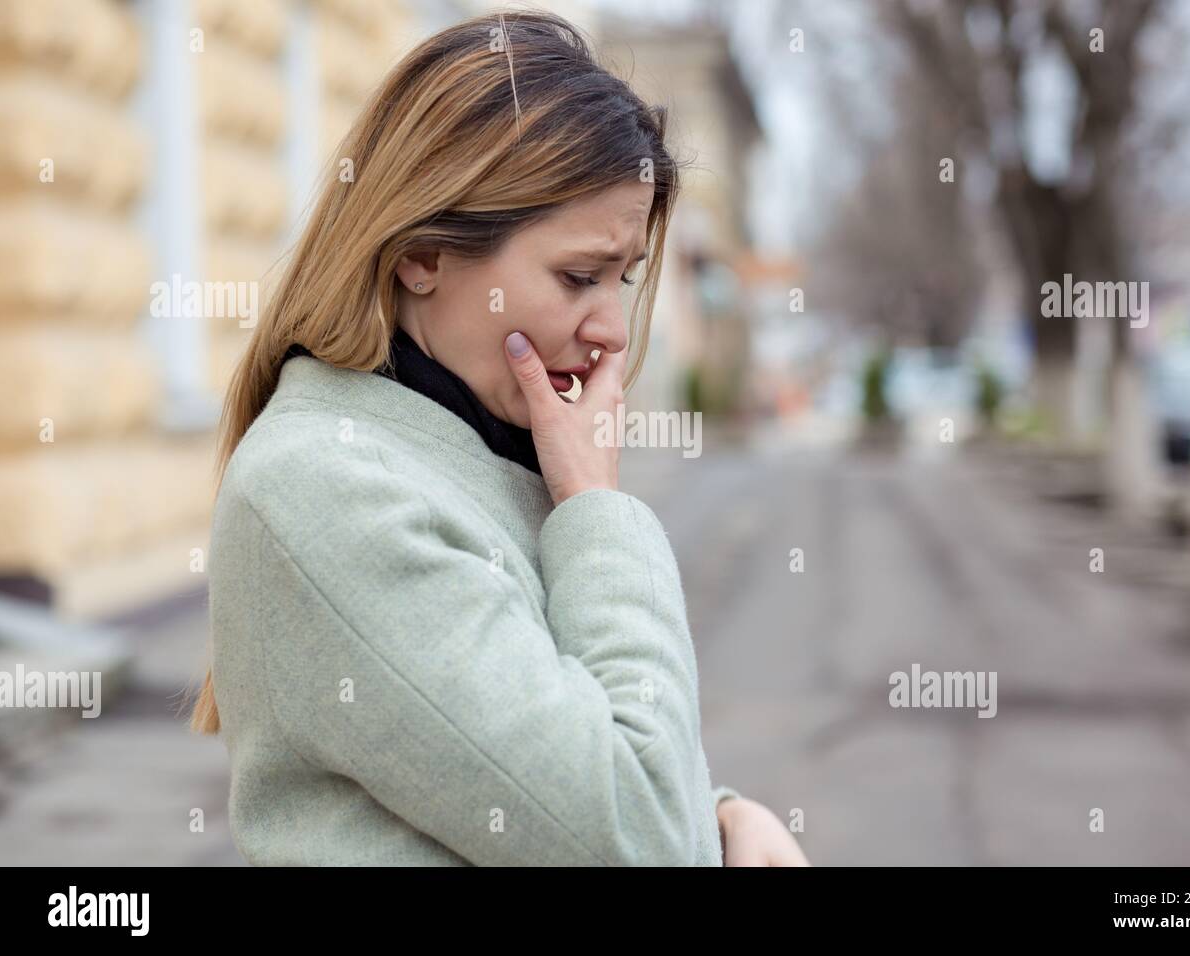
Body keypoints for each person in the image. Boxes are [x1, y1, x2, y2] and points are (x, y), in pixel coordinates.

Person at [188, 9, 809, 867]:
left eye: (622, 279)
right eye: (578, 277)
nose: (613, 331)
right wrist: (596, 509)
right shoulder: (325, 488)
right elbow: (634, 840)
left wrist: (719, 820)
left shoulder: (462, 444)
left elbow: (547, 766)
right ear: (425, 253)